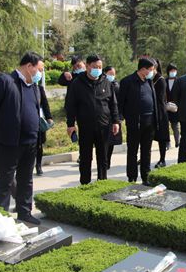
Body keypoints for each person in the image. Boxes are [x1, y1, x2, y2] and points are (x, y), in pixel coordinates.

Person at [0, 51, 45, 224]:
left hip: (31, 141)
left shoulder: (33, 86)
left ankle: (24, 212)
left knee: (26, 179)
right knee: (6, 179)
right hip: (10, 142)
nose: (40, 74)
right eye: (39, 69)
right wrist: (1, 131)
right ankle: (0, 218)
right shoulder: (6, 81)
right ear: (29, 66)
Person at [65, 54, 120, 184]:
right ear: (87, 66)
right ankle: (85, 184)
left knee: (103, 157)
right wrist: (70, 124)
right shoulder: (77, 83)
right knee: (85, 158)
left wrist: (116, 121)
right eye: (95, 67)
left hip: (104, 125)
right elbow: (70, 105)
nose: (98, 69)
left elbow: (113, 103)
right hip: (85, 126)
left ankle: (102, 182)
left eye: (100, 67)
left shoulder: (106, 82)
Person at [117, 57, 163, 183]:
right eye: (151, 70)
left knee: (146, 151)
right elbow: (120, 103)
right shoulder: (127, 81)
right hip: (135, 123)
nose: (153, 72)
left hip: (150, 123)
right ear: (143, 69)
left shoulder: (149, 81)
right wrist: (121, 118)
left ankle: (146, 177)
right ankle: (132, 177)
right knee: (133, 151)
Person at [34, 59, 53, 176]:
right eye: (39, 70)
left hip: (39, 121)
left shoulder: (39, 88)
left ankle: (38, 165)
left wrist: (49, 117)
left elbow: (45, 104)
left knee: (40, 144)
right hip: (28, 122)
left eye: (42, 71)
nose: (40, 73)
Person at [151, 59, 171, 168]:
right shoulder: (148, 79)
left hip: (160, 113)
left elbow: (160, 99)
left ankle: (162, 160)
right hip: (150, 113)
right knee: (146, 138)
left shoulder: (160, 80)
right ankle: (145, 157)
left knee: (161, 138)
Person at [102, 65, 122, 170]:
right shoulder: (101, 85)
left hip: (114, 117)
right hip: (103, 117)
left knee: (111, 142)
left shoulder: (116, 86)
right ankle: (103, 161)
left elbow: (120, 103)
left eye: (113, 74)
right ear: (105, 73)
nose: (112, 76)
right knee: (104, 141)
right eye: (110, 74)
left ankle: (107, 161)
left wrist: (119, 117)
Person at [161, 62, 181, 162]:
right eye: (171, 70)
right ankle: (167, 143)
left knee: (175, 125)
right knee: (165, 126)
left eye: (174, 70)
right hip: (165, 106)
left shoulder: (179, 81)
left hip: (176, 107)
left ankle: (178, 141)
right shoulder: (164, 81)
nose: (173, 72)